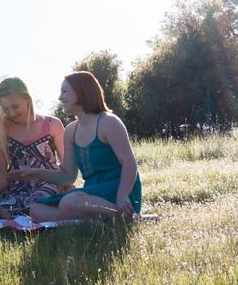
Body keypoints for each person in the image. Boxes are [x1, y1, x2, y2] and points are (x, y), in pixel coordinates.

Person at [10, 71, 142, 222]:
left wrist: (122, 196)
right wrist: (38, 173)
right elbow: (68, 175)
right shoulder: (71, 130)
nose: (60, 98)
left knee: (69, 202)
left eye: (64, 91)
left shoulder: (108, 122)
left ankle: (126, 217)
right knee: (35, 209)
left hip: (120, 190)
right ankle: (91, 221)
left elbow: (129, 163)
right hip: (91, 192)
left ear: (82, 91)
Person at [0, 77, 70, 218]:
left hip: (49, 181)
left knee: (36, 205)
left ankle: (70, 216)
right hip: (16, 186)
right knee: (1, 210)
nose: (12, 113)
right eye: (5, 109)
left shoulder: (52, 124)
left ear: (27, 99)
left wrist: (67, 184)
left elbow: (67, 165)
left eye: (15, 107)